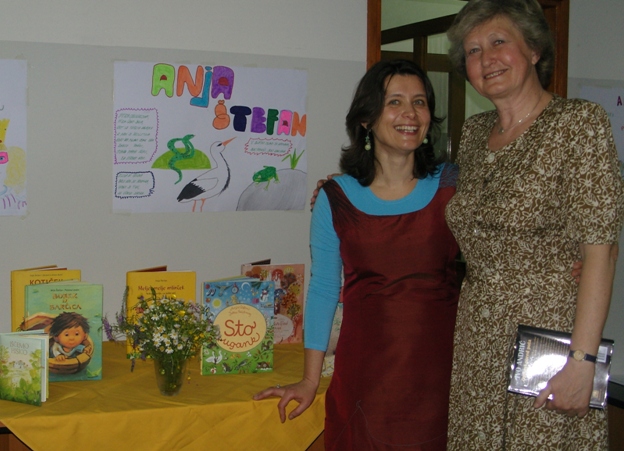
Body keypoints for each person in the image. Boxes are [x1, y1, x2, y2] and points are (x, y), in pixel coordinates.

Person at [254, 59, 461, 449]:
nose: (410, 113)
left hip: (443, 372)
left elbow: (499, 254)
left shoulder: (454, 187)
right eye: (394, 102)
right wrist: (310, 380)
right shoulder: (337, 198)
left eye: (419, 102)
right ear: (366, 119)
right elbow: (324, 289)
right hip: (366, 373)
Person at [443, 0, 623, 448]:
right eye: (473, 51)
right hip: (478, 331)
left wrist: (582, 362)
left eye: (499, 42)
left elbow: (601, 251)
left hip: (550, 336)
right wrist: (350, 184)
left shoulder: (578, 124)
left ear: (534, 50)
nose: (486, 58)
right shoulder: (474, 132)